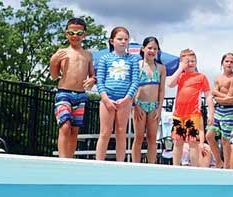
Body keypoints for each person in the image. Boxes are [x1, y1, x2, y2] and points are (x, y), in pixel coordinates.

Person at [49, 18, 95, 159]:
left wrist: (92, 80)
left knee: (75, 130)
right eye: (71, 32)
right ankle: (62, 159)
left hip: (80, 95)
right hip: (64, 93)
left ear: (84, 35)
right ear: (66, 34)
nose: (75, 35)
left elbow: (92, 75)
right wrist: (53, 61)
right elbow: (54, 76)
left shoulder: (87, 55)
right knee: (65, 126)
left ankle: (69, 159)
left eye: (78, 32)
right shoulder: (62, 52)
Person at [95, 26, 139, 161]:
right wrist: (105, 99)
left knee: (121, 132)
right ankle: (99, 162)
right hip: (107, 99)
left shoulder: (133, 60)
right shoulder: (105, 59)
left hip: (124, 100)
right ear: (112, 41)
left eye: (126, 39)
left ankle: (120, 163)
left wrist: (127, 98)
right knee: (105, 132)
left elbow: (135, 81)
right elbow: (100, 80)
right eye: (120, 39)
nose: (123, 42)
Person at [167, 49, 214, 167]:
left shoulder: (201, 77)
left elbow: (208, 96)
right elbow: (170, 84)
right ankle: (176, 167)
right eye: (187, 61)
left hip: (193, 114)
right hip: (179, 114)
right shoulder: (180, 76)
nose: (191, 63)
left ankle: (194, 168)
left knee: (193, 143)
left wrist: (211, 113)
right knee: (178, 142)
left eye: (193, 61)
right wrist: (179, 68)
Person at [130, 36, 166, 165]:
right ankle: (135, 165)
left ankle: (151, 165)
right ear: (143, 49)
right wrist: (135, 105)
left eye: (155, 48)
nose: (152, 51)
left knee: (152, 138)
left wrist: (159, 108)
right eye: (149, 48)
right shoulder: (137, 65)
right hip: (139, 104)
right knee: (138, 137)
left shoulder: (161, 68)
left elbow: (161, 90)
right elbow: (132, 87)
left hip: (154, 106)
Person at [210, 52, 233, 168]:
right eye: (227, 61)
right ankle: (219, 161)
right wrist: (224, 98)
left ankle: (227, 166)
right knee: (209, 135)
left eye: (231, 62)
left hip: (230, 110)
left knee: (225, 139)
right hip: (219, 110)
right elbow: (220, 96)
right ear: (222, 63)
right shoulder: (218, 78)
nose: (229, 63)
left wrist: (217, 95)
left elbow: (231, 99)